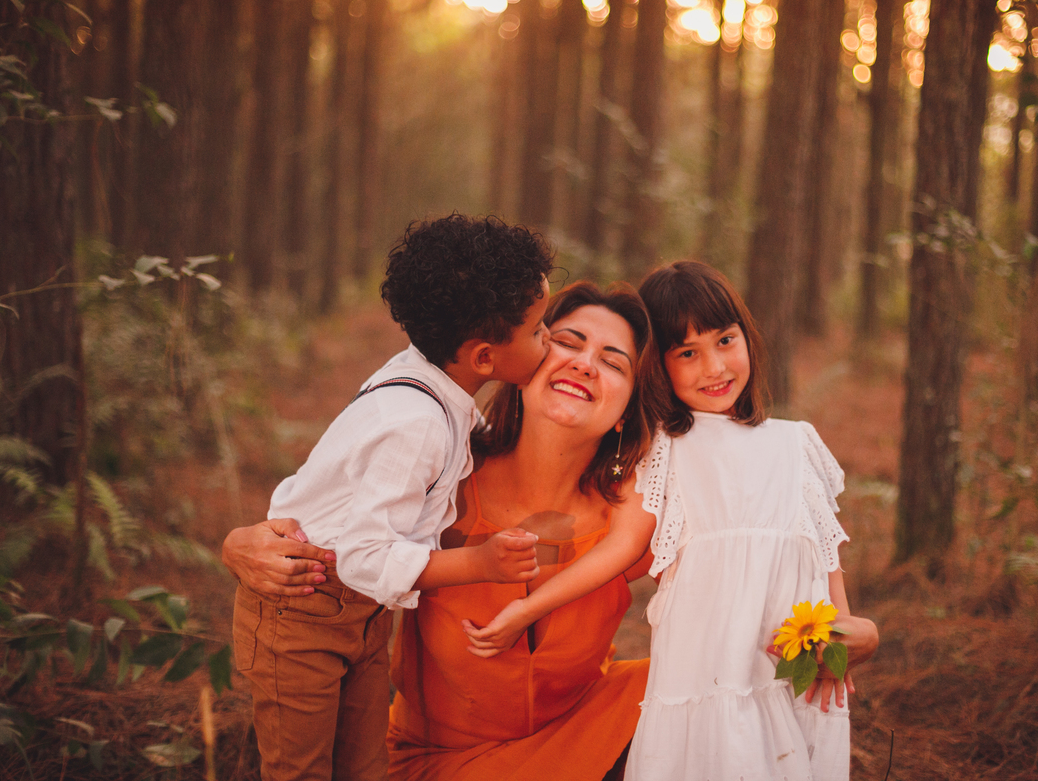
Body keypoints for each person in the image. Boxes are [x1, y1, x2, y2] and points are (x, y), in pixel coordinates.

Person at [224, 214, 555, 781]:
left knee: (364, 766)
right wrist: (479, 563)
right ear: (483, 357)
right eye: (539, 330)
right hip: (301, 609)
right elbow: (364, 555)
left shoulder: (434, 385)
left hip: (364, 615)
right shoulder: (415, 423)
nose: (548, 340)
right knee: (300, 769)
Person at [385, 281, 667, 781]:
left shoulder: (629, 521)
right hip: (438, 758)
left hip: (582, 734)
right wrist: (248, 545)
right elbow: (336, 537)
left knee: (700, 685)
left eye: (613, 362)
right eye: (568, 342)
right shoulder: (446, 473)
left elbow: (733, 588)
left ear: (626, 411)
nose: (585, 364)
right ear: (526, 363)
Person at [619, 260, 879, 781]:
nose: (714, 367)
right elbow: (616, 557)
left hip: (793, 685)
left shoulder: (795, 444)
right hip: (703, 692)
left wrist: (854, 639)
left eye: (725, 340)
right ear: (658, 366)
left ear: (747, 338)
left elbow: (830, 585)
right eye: (687, 353)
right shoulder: (661, 452)